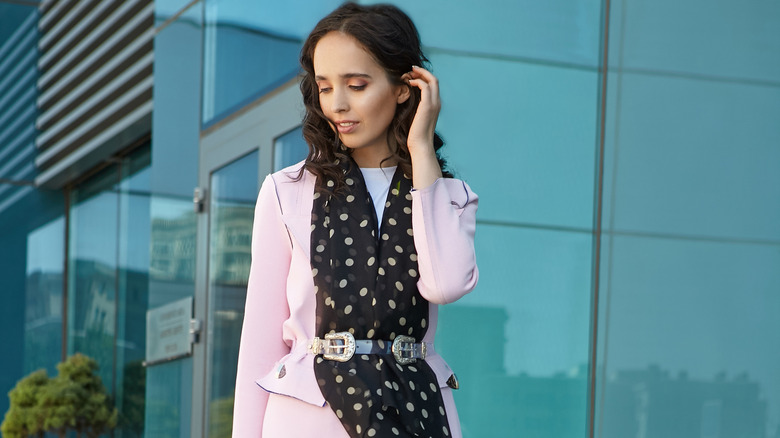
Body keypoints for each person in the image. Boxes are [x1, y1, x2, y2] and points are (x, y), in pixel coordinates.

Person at [232, 3, 478, 437]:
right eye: (325, 88)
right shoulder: (287, 191)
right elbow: (258, 345)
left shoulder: (445, 195)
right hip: (309, 418)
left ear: (405, 87)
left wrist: (420, 149)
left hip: (419, 412)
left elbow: (445, 285)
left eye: (357, 85)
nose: (338, 104)